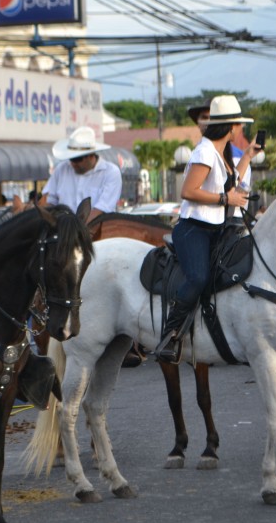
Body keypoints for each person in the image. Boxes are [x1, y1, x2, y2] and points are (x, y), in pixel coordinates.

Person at [149, 95, 260, 363]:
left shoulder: (221, 153)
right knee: (198, 278)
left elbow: (230, 187)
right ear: (230, 127)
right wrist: (226, 200)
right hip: (193, 229)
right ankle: (170, 334)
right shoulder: (205, 151)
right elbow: (188, 191)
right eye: (239, 125)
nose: (241, 130)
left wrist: (247, 156)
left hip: (217, 228)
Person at [42, 126, 122, 222]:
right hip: (63, 229)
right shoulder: (61, 169)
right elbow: (50, 201)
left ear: (91, 155)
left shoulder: (111, 172)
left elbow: (102, 208)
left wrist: (76, 229)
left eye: (77, 159)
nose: (72, 163)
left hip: (97, 230)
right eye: (71, 159)